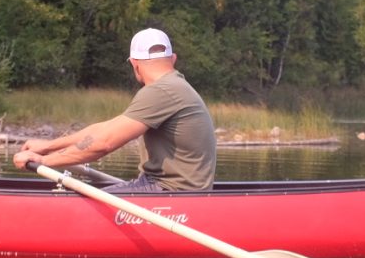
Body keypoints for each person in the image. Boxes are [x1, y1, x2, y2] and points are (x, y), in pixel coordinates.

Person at [12, 27, 216, 191]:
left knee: (82, 202)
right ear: (173, 59)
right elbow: (102, 131)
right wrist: (48, 146)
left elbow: (103, 144)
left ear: (135, 64)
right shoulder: (174, 86)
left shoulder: (161, 91)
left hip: (169, 193)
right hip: (167, 189)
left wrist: (44, 161)